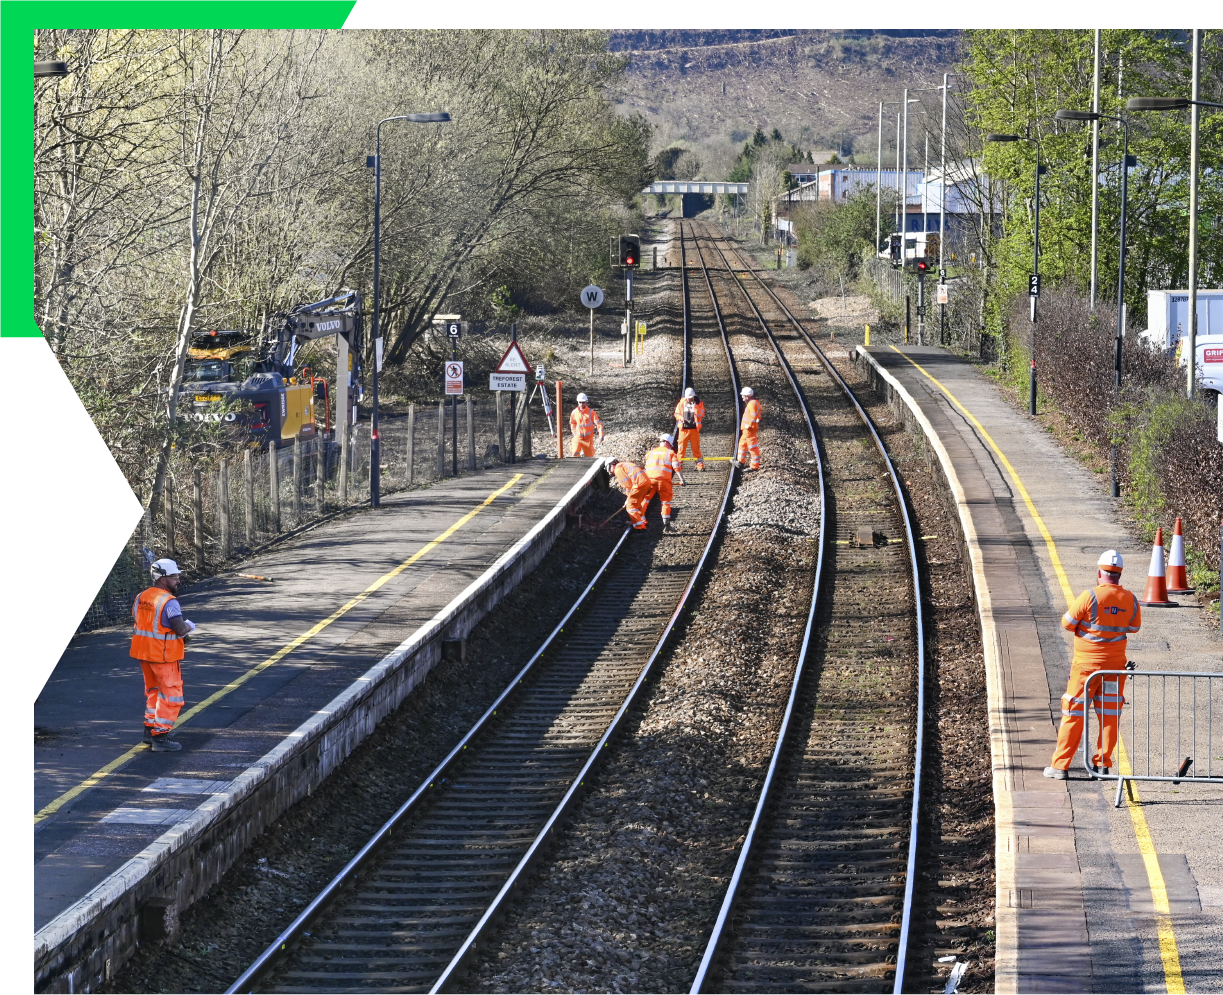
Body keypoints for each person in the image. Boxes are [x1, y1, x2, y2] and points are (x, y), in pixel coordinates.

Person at [1044, 550, 1141, 780]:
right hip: (1114, 670)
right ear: (1119, 574)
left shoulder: (1089, 596)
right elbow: (1134, 627)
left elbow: (1067, 623)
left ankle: (1060, 766)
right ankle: (1102, 767)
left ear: (1099, 572)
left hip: (1085, 669)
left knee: (1073, 713)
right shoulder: (1130, 598)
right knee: (1109, 715)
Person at [131, 558, 196, 752]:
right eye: (175, 577)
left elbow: (141, 621)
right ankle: (160, 738)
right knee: (171, 695)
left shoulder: (141, 596)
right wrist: (190, 626)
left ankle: (149, 731)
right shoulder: (169, 602)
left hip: (144, 653)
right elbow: (180, 629)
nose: (178, 581)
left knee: (153, 692)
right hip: (164, 656)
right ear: (163, 578)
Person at [644, 433, 686, 529]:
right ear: (668, 443)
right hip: (664, 481)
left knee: (645, 499)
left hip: (650, 480)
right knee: (665, 501)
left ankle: (640, 521)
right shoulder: (670, 453)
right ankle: (666, 524)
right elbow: (677, 467)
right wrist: (682, 479)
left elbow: (646, 467)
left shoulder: (650, 453)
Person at [607, 457, 653, 531]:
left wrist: (628, 499)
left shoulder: (618, 469)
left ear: (612, 465)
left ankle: (639, 527)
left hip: (639, 485)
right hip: (646, 483)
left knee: (630, 507)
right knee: (637, 504)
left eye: (609, 470)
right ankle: (643, 521)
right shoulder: (625, 464)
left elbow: (628, 486)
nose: (611, 472)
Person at [672, 387, 706, 471]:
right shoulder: (681, 403)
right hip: (684, 429)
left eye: (691, 397)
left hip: (694, 429)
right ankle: (679, 465)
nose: (689, 399)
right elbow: (676, 414)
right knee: (681, 448)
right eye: (688, 397)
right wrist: (681, 418)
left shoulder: (699, 403)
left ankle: (699, 465)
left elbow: (701, 414)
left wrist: (696, 407)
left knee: (696, 448)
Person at [734, 386, 762, 471]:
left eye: (743, 395)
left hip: (749, 429)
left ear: (747, 396)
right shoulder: (754, 403)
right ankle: (740, 462)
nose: (742, 397)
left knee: (752, 447)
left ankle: (754, 466)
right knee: (742, 444)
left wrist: (748, 425)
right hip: (747, 430)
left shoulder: (752, 404)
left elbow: (754, 416)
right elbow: (758, 417)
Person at [569, 393, 605, 457]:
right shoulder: (574, 412)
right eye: (580, 402)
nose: (581, 404)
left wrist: (601, 435)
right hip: (578, 437)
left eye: (583, 402)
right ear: (577, 402)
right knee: (575, 452)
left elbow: (598, 424)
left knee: (589, 456)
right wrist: (574, 433)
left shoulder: (591, 412)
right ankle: (576, 465)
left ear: (586, 402)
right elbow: (572, 423)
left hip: (588, 438)